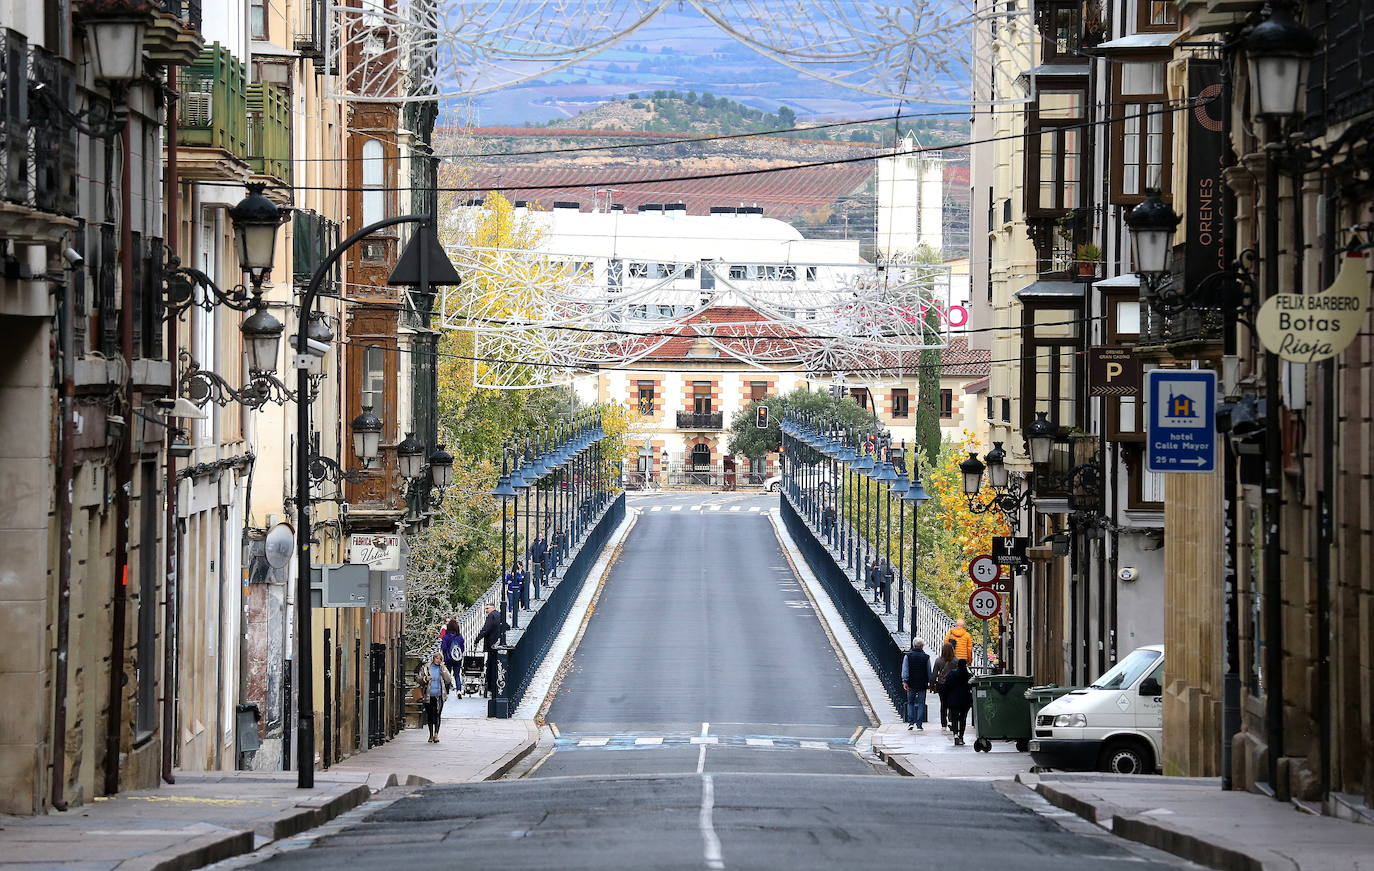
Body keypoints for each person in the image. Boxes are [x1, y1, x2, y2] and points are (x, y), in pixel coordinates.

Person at [417, 652, 454, 743]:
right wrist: (425, 678)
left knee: (437, 714)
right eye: (437, 658)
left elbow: (448, 680)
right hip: (429, 695)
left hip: (439, 695)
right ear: (433, 659)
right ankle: (430, 735)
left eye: (440, 659)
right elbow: (418, 679)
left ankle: (436, 734)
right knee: (430, 715)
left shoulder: (442, 668)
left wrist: (443, 669)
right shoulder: (426, 667)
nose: (438, 660)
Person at [475, 604, 509, 698]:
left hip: (492, 645)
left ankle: (491, 688)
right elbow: (506, 626)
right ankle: (496, 687)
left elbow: (486, 629)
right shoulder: (499, 615)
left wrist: (477, 638)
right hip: (499, 644)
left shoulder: (491, 616)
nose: (486, 610)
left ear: (493, 608)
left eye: (487, 608)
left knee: (491, 666)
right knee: (497, 665)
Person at [901, 638, 931, 730]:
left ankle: (910, 722)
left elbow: (905, 670)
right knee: (921, 703)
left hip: (911, 682)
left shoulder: (908, 656)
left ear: (914, 645)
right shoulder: (926, 657)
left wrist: (905, 681)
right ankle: (919, 724)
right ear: (922, 646)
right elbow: (929, 671)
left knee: (910, 702)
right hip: (922, 683)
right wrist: (929, 682)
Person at [943, 657, 974, 746]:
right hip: (965, 700)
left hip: (953, 700)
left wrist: (945, 698)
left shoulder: (952, 674)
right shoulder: (968, 675)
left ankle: (955, 735)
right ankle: (961, 737)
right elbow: (971, 687)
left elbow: (946, 686)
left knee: (954, 718)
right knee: (963, 719)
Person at [931, 641, 955, 730]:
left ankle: (943, 724)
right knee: (952, 703)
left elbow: (934, 674)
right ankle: (951, 720)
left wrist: (932, 685)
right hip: (952, 685)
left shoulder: (938, 660)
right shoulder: (956, 661)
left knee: (943, 704)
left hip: (942, 685)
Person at [439, 618, 465, 698]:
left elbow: (443, 647)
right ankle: (459, 690)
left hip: (448, 658)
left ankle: (446, 691)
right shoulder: (459, 636)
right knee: (457, 675)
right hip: (457, 658)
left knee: (447, 675)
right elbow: (462, 648)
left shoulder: (446, 636)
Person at [505, 562, 525, 628]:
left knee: (516, 601)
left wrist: (518, 573)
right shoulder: (509, 575)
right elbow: (505, 581)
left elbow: (520, 579)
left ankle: (516, 612)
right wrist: (508, 581)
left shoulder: (519, 574)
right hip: (510, 590)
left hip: (517, 591)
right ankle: (510, 611)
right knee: (511, 601)